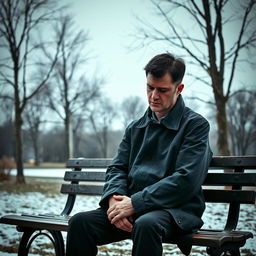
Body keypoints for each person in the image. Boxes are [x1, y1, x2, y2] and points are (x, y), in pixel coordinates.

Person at [66, 53, 212, 256]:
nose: (154, 96)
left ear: (179, 89)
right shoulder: (136, 127)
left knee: (146, 224)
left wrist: (135, 203)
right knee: (80, 223)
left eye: (162, 90)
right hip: (133, 207)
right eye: (150, 87)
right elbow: (117, 168)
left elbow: (186, 180)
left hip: (175, 210)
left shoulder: (195, 126)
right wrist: (114, 202)